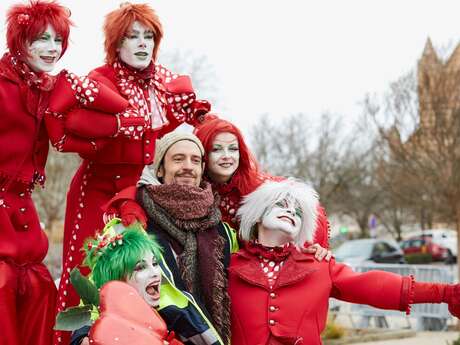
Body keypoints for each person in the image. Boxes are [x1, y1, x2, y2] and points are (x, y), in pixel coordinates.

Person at [44, 4, 210, 344]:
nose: (141, 44)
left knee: (141, 274)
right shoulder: (101, 79)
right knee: (88, 275)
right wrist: (122, 124)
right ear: (116, 43)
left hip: (134, 194)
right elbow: (75, 127)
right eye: (132, 36)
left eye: (148, 36)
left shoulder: (163, 85)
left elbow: (175, 136)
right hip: (96, 192)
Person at [229, 179, 460, 345]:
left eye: (298, 212)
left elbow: (374, 286)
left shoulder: (318, 265)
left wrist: (444, 293)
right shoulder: (228, 266)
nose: (290, 211)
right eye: (281, 204)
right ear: (258, 214)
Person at [106, 131, 238, 344]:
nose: (188, 166)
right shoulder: (132, 226)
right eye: (178, 159)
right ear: (159, 168)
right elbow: (102, 292)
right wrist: (83, 334)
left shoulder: (223, 232)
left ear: (202, 169)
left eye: (195, 160)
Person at [0, 1, 72, 345]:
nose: (51, 49)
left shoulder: (48, 89)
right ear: (19, 39)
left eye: (57, 41)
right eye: (41, 39)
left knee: (39, 286)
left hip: (25, 207)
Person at [194, 115, 330, 249]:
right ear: (203, 154)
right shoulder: (195, 194)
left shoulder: (263, 188)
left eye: (233, 149)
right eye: (216, 149)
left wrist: (312, 249)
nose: (227, 156)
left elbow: (306, 213)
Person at [68, 219, 209, 345]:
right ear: (117, 280)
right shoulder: (100, 327)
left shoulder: (176, 315)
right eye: (141, 267)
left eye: (155, 263)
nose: (155, 273)